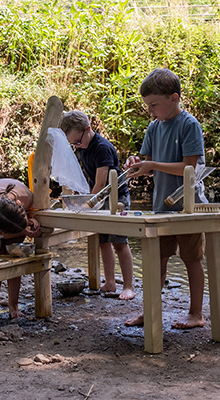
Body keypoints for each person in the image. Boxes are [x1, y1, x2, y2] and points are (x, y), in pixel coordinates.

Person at [125, 68, 208, 329]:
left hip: (188, 206)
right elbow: (147, 161)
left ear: (174, 98)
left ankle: (196, 314)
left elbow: (189, 168)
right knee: (155, 261)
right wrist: (136, 163)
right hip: (162, 206)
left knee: (191, 259)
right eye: (147, 105)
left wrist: (153, 165)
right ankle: (149, 311)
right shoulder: (154, 127)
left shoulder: (189, 125)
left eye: (154, 105)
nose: (150, 110)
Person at [61, 111, 135, 300]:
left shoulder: (102, 148)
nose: (77, 146)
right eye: (73, 144)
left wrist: (86, 204)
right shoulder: (83, 147)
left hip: (116, 199)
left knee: (119, 242)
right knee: (103, 242)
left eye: (78, 141)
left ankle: (128, 286)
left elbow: (101, 183)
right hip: (99, 199)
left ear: (88, 129)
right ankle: (110, 282)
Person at [0, 178, 41, 318]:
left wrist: (31, 218)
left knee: (14, 257)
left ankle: (13, 305)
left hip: (13, 213)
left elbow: (32, 211)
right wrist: (25, 231)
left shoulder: (26, 196)